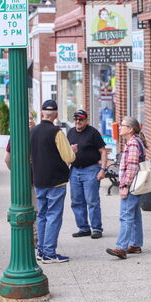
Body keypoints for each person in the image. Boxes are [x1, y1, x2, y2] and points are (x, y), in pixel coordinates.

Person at [30, 100, 75, 263]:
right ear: (55, 114)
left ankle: (41, 250)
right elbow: (69, 157)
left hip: (39, 180)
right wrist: (72, 150)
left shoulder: (32, 131)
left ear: (42, 113)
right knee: (54, 216)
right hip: (56, 181)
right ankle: (49, 252)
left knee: (42, 215)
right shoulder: (57, 132)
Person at [105, 116, 146, 259]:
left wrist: (125, 186)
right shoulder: (134, 142)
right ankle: (135, 244)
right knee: (134, 215)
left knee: (126, 216)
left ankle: (121, 247)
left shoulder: (133, 144)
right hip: (134, 185)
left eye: (122, 125)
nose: (119, 127)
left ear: (130, 129)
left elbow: (132, 167)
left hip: (131, 185)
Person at [66, 109, 107, 239]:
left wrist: (103, 169)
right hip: (75, 170)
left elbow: (103, 151)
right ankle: (83, 228)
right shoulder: (71, 132)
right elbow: (67, 152)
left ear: (86, 120)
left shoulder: (93, 132)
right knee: (76, 201)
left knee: (92, 201)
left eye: (81, 119)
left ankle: (96, 228)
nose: (78, 121)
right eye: (76, 119)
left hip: (91, 170)